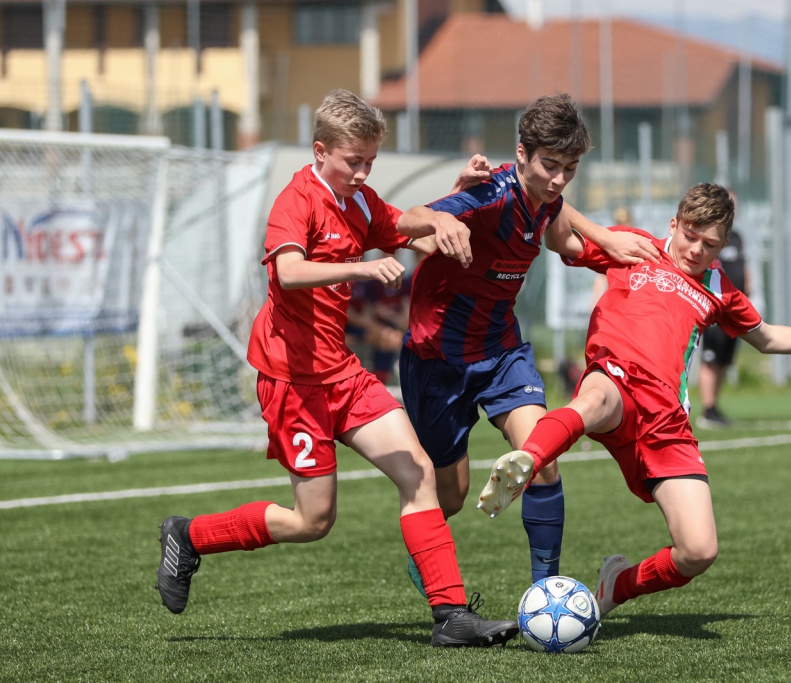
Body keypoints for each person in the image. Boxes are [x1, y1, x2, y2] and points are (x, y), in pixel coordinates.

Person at [155, 89, 519, 648]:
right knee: (312, 521)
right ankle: (189, 536)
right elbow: (290, 274)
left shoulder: (360, 199)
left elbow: (406, 221)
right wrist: (363, 267)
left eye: (370, 161)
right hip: (291, 381)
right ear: (321, 150)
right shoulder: (295, 200)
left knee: (418, 471)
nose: (363, 171)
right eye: (355, 161)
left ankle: (451, 615)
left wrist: (451, 205)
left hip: (341, 374)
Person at [476, 183, 791, 618]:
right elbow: (558, 238)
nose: (695, 249)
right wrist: (579, 216)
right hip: (617, 379)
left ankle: (618, 585)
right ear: (673, 224)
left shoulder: (718, 287)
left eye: (709, 244)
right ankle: (528, 460)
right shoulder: (633, 246)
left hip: (666, 419)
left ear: (723, 245)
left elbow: (766, 338)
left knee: (699, 550)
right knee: (594, 398)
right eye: (689, 235)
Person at [396, 93, 660, 589]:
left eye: (570, 167)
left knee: (541, 457)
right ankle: (427, 542)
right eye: (550, 165)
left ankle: (547, 590)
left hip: (501, 350)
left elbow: (562, 235)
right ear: (522, 153)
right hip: (439, 358)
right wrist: (441, 218)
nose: (559, 178)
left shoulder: (546, 197)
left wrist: (613, 245)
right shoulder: (487, 195)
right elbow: (407, 220)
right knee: (450, 495)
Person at [697, 191, 751, 428]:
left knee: (722, 361)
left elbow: (742, 265)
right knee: (710, 359)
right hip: (713, 309)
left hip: (733, 309)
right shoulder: (707, 235)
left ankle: (714, 407)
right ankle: (707, 408)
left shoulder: (736, 237)